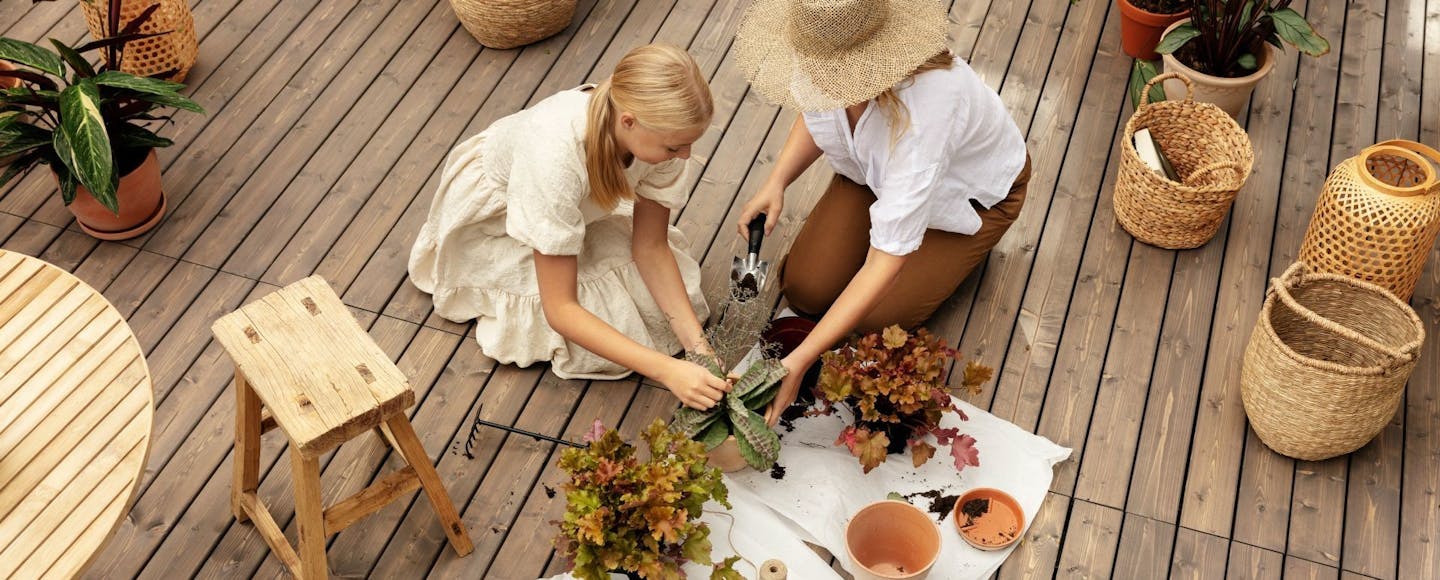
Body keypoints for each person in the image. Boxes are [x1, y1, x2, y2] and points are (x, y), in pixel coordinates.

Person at [732, 0, 1032, 425]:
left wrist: (798, 362)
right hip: (874, 174)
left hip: (967, 198)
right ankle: (895, 216)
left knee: (877, 322)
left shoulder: (927, 109)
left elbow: (882, 263)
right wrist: (776, 181)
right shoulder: (818, 39)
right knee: (805, 289)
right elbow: (816, 107)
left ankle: (960, 251)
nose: (821, 79)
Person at [409, 44, 732, 411]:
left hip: (578, 204)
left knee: (664, 305)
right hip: (501, 219)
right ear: (629, 121)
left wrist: (700, 352)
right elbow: (560, 309)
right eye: (675, 147)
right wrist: (667, 371)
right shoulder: (555, 154)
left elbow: (651, 248)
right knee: (612, 328)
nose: (686, 156)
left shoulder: (663, 139)